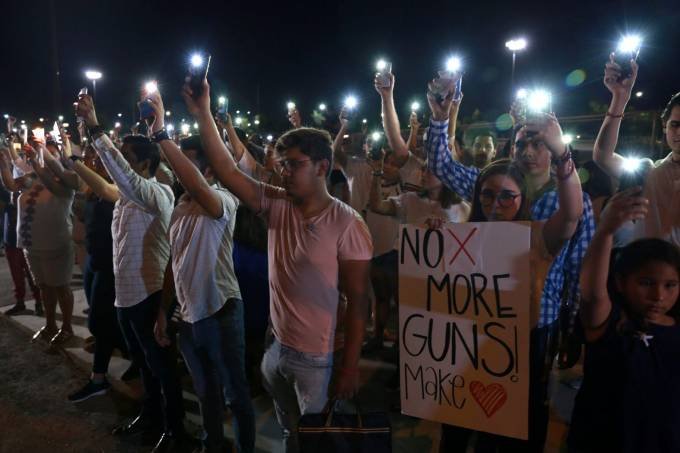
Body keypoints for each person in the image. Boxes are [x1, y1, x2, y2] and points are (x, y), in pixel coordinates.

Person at [182, 78, 373, 453]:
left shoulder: (348, 224)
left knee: (317, 440)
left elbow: (360, 301)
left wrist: (349, 367)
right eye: (281, 164)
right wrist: (203, 112)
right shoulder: (278, 203)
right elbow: (227, 171)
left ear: (322, 167)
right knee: (291, 433)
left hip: (317, 360)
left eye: (294, 164)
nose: (284, 171)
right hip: (276, 347)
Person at [426, 73, 593, 452]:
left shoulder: (567, 200)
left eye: (538, 142)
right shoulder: (493, 182)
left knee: (520, 420)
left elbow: (579, 262)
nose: (529, 150)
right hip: (478, 316)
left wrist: (573, 326)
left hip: (538, 323)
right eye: (522, 142)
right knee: (463, 413)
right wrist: (440, 118)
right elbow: (441, 163)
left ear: (552, 148)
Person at [75, 95, 189, 452]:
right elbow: (110, 187)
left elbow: (120, 179)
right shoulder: (128, 195)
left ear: (144, 164)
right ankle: (151, 418)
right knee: (143, 366)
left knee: (163, 369)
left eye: (127, 157)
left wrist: (96, 129)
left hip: (149, 295)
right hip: (125, 296)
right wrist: (75, 163)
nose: (120, 162)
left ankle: (176, 431)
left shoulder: (157, 192)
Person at [145, 88, 255, 453]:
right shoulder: (181, 204)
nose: (180, 170)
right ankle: (212, 446)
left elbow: (194, 181)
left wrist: (162, 136)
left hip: (221, 311)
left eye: (189, 162)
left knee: (236, 396)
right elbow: (174, 262)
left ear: (209, 168)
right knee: (206, 394)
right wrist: (164, 310)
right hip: (189, 318)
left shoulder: (223, 199)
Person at [569, 188, 680, 453]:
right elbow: (592, 293)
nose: (658, 295)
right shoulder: (610, 323)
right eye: (646, 283)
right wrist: (605, 232)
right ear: (620, 282)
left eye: (670, 285)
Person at [60, 130, 129, 402]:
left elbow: (102, 187)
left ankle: (99, 379)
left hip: (112, 267)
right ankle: (120, 351)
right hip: (95, 262)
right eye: (92, 156)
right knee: (105, 321)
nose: (93, 160)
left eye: (98, 157)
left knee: (101, 322)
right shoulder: (91, 189)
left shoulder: (120, 190)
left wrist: (73, 159)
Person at [591, 55, 680, 245]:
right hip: (643, 270)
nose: (679, 132)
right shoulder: (649, 171)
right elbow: (602, 156)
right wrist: (620, 97)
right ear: (664, 126)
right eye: (675, 124)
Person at [0, 139, 75, 345]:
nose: (44, 156)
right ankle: (50, 324)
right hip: (31, 245)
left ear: (58, 158)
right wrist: (4, 162)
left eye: (50, 153)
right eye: (43, 152)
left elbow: (48, 180)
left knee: (61, 287)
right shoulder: (32, 178)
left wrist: (38, 163)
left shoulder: (66, 183)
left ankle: (67, 327)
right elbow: (10, 184)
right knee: (43, 286)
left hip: (56, 245)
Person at [0, 143, 42, 316]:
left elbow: (11, 185)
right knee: (16, 272)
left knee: (32, 272)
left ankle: (40, 301)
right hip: (10, 232)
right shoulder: (10, 178)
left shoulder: (36, 178)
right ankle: (20, 302)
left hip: (27, 234)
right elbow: (9, 185)